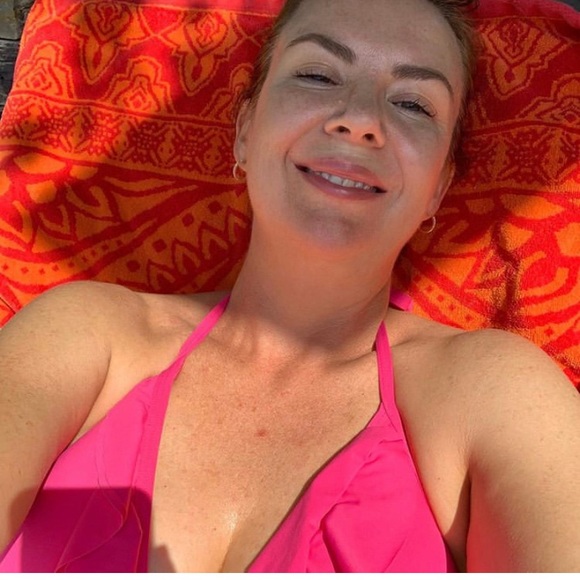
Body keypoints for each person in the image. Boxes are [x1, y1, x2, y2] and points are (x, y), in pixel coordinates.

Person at [1, 0, 580, 572]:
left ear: (438, 188)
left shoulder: (492, 393)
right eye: (317, 75)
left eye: (412, 104)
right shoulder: (85, 334)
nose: (360, 119)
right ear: (245, 130)